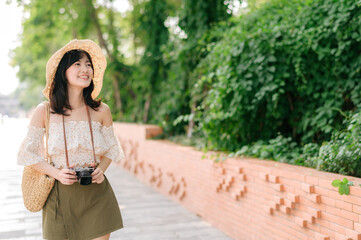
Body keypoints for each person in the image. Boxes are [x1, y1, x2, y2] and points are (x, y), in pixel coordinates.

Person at [17, 39, 125, 240]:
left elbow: (112, 148)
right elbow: (26, 153)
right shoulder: (45, 111)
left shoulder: (101, 111)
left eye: (88, 64)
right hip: (60, 196)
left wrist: (102, 169)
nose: (85, 69)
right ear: (62, 71)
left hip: (96, 194)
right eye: (77, 64)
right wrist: (57, 173)